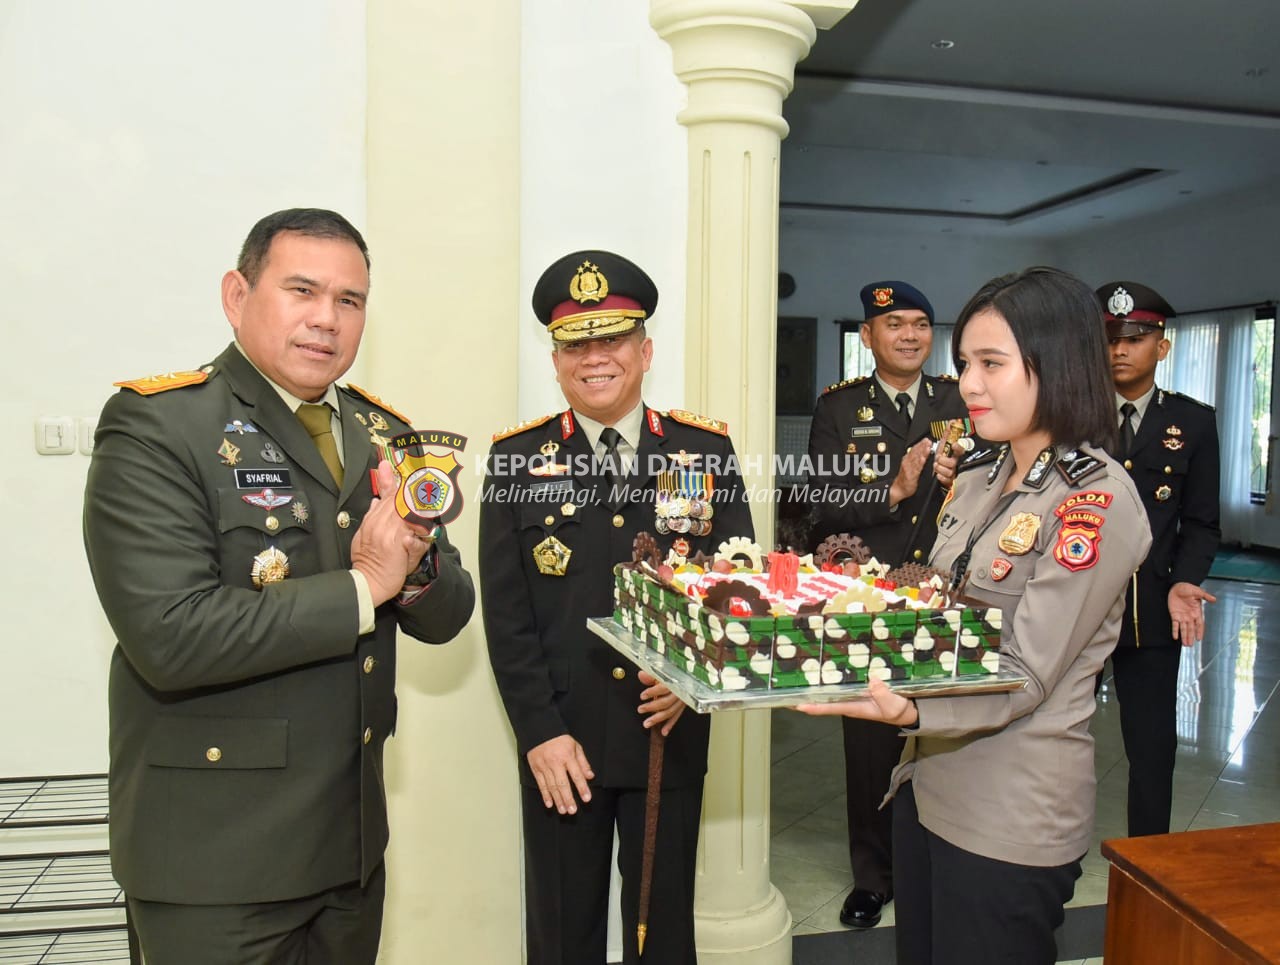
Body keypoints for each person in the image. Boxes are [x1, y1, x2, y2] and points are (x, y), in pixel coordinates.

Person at [83, 208, 475, 965]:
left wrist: (415, 560)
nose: (327, 318)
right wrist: (367, 585)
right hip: (218, 859)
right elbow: (171, 635)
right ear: (238, 295)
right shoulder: (161, 427)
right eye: (302, 290)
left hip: (349, 847)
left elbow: (448, 613)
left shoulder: (382, 432)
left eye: (350, 300)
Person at [800, 267, 1152, 965]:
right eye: (965, 363)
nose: (967, 384)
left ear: (1054, 367)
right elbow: (937, 605)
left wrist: (906, 710)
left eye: (992, 364)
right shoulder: (981, 476)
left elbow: (1024, 672)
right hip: (926, 793)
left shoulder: (1094, 501)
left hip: (1007, 817)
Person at [479, 250, 754, 965]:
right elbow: (507, 620)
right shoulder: (516, 460)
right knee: (562, 930)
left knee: (662, 934)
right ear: (556, 357)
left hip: (667, 727)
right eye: (576, 343)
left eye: (614, 339)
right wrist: (539, 731)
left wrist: (695, 680)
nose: (595, 358)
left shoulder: (704, 450)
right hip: (561, 743)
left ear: (646, 349)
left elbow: (738, 590)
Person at [806, 280, 966, 928]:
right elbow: (820, 505)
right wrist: (894, 489)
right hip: (867, 595)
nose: (909, 334)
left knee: (949, 734)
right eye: (893, 323)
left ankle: (940, 866)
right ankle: (872, 876)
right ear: (867, 335)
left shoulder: (960, 398)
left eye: (921, 324)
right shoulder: (839, 408)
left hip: (948, 589)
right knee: (871, 737)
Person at [1097, 280, 1222, 837]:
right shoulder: (1072, 421)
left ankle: (1150, 863)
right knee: (1048, 739)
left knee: (1151, 749)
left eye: (1136, 337)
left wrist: (1186, 581)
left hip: (1151, 609)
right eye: (1109, 338)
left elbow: (1201, 522)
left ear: (1161, 347)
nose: (1121, 349)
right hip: (1074, 608)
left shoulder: (1193, 422)